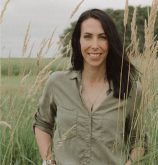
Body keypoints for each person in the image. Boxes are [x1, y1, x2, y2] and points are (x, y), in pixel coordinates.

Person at [33, 8, 146, 165]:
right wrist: (48, 159)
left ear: (111, 42)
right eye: (87, 37)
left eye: (102, 37)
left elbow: (139, 141)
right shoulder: (57, 83)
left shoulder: (131, 89)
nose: (95, 45)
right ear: (78, 41)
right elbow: (42, 124)